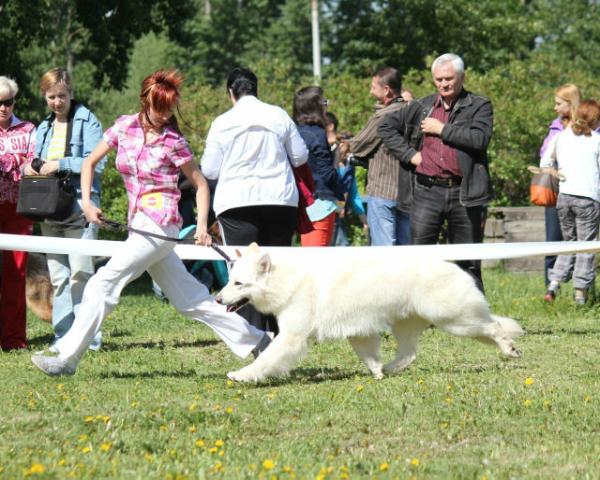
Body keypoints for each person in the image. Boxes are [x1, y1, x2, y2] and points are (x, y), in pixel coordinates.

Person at [31, 69, 271, 376]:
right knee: (191, 301)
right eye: (160, 107)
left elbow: (200, 185)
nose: (164, 114)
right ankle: (259, 341)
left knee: (103, 282)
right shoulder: (123, 127)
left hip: (162, 225)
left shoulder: (174, 141)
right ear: (146, 101)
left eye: (169, 108)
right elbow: (90, 162)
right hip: (139, 223)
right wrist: (88, 205)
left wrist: (200, 227)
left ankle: (66, 358)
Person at [201, 67, 308, 334]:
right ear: (256, 89)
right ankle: (282, 335)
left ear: (231, 94)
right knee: (275, 271)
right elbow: (300, 157)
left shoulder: (222, 122)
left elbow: (210, 170)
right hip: (279, 200)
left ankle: (257, 341)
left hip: (236, 203)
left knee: (242, 273)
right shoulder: (279, 115)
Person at [378, 53, 493, 292]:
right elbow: (386, 127)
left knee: (468, 260)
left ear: (461, 77)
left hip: (464, 193)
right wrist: (411, 155)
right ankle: (420, 313)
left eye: (449, 78)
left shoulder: (479, 105)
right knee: (422, 259)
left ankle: (471, 314)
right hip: (426, 191)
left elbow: (480, 139)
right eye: (439, 79)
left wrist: (443, 129)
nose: (443, 84)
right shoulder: (422, 106)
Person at [33, 68, 105, 351]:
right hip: (50, 209)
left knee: (81, 274)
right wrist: (35, 166)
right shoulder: (43, 128)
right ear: (45, 97)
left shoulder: (88, 121)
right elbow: (38, 162)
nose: (57, 102)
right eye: (51, 97)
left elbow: (97, 164)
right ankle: (63, 337)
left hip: (80, 206)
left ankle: (89, 339)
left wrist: (60, 164)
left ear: (70, 93)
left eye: (61, 96)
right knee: (59, 278)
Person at [342, 67, 411, 246]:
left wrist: (350, 143)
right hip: (409, 191)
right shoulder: (414, 112)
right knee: (406, 250)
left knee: (383, 252)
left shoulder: (383, 116)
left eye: (373, 87)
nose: (370, 91)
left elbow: (358, 146)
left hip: (383, 190)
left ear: (386, 89)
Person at [542, 100, 600, 305]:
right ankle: (580, 295)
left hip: (564, 198)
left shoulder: (561, 137)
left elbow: (545, 162)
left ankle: (553, 284)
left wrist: (559, 174)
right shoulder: (596, 140)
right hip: (588, 199)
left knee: (569, 244)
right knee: (586, 247)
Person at [0, 76, 35, 350]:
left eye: (8, 102)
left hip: (18, 209)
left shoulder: (28, 129)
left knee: (16, 273)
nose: (3, 108)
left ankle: (13, 338)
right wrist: (17, 161)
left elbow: (33, 162)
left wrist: (15, 162)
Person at [293, 86, 349, 247]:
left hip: (301, 203)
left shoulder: (294, 131)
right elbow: (326, 173)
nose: (327, 106)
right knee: (316, 261)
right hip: (320, 204)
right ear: (315, 107)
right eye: (324, 102)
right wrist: (340, 183)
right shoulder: (317, 134)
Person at [539, 84, 581, 287]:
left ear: (570, 104)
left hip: (583, 192)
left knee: (583, 246)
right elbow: (543, 155)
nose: (555, 108)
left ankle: (580, 289)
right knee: (553, 242)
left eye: (559, 104)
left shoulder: (591, 126)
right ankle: (550, 290)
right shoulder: (555, 126)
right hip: (556, 192)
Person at [325, 112, 368, 246]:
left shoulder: (349, 165)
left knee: (340, 245)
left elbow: (353, 193)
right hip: (324, 211)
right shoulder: (324, 154)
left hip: (337, 215)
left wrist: (364, 221)